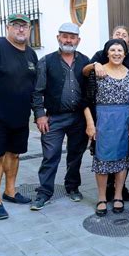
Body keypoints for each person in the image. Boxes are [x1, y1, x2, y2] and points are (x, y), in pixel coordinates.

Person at [0, 13, 38, 220]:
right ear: (8, 27)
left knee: (14, 154)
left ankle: (10, 191)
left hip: (20, 116)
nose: (21, 29)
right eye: (16, 25)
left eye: (25, 26)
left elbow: (33, 86)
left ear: (30, 29)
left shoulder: (31, 54)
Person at [30, 23, 89, 210]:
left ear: (78, 40)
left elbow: (89, 91)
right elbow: (37, 91)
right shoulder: (46, 61)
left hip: (78, 118)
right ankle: (44, 192)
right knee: (50, 156)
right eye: (65, 36)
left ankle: (72, 187)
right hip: (53, 118)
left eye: (72, 37)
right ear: (58, 38)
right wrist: (40, 115)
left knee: (75, 156)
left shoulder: (85, 61)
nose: (68, 40)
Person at [82, 25, 129, 202]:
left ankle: (118, 196)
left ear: (125, 54)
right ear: (107, 53)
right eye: (113, 50)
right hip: (103, 121)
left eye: (120, 50)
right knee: (102, 159)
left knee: (123, 160)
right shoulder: (98, 71)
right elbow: (85, 100)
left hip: (124, 122)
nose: (116, 53)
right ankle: (102, 198)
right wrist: (90, 123)